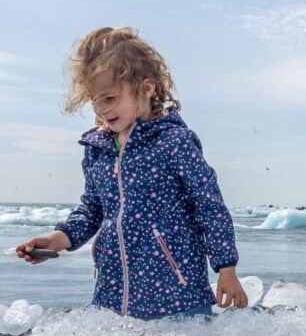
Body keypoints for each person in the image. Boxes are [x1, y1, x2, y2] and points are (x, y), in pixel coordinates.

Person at [17, 26, 247, 319]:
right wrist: (58, 239)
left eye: (109, 98)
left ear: (147, 88)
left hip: (178, 297)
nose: (101, 109)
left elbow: (208, 205)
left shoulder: (174, 142)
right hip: (113, 297)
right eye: (94, 99)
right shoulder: (98, 149)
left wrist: (226, 267)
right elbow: (92, 210)